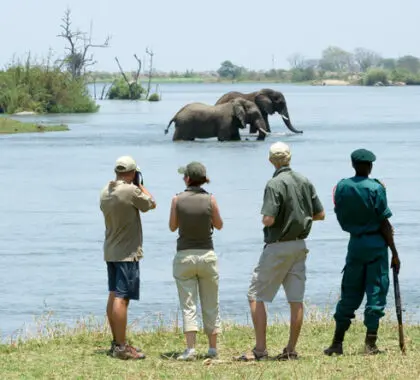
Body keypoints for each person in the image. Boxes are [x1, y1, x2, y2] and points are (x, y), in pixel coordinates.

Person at [236, 141, 325, 361]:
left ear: (270, 160)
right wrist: (300, 218)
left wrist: (267, 221)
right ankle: (291, 349)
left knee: (255, 295)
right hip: (299, 246)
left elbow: (269, 219)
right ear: (290, 158)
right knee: (296, 299)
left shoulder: (274, 183)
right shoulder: (304, 180)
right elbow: (320, 214)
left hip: (277, 247)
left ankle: (260, 349)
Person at [324, 148, 400, 356]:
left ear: (353, 165)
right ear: (370, 166)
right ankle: (370, 344)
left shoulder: (341, 187)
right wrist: (394, 252)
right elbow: (384, 223)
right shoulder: (376, 188)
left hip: (355, 244)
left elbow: (339, 212)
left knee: (349, 292)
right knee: (376, 291)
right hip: (376, 245)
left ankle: (337, 343)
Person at [100, 155, 156, 360]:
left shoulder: (105, 190)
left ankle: (117, 343)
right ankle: (122, 347)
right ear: (132, 173)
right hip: (127, 253)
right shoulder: (131, 190)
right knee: (122, 299)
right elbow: (151, 204)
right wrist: (140, 185)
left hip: (111, 249)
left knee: (114, 294)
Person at [168, 161, 223, 361]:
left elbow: (172, 227)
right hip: (207, 255)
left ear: (188, 179)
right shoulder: (211, 199)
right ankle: (212, 349)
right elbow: (219, 224)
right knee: (211, 302)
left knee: (188, 304)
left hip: (184, 255)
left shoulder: (176, 199)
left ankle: (190, 349)